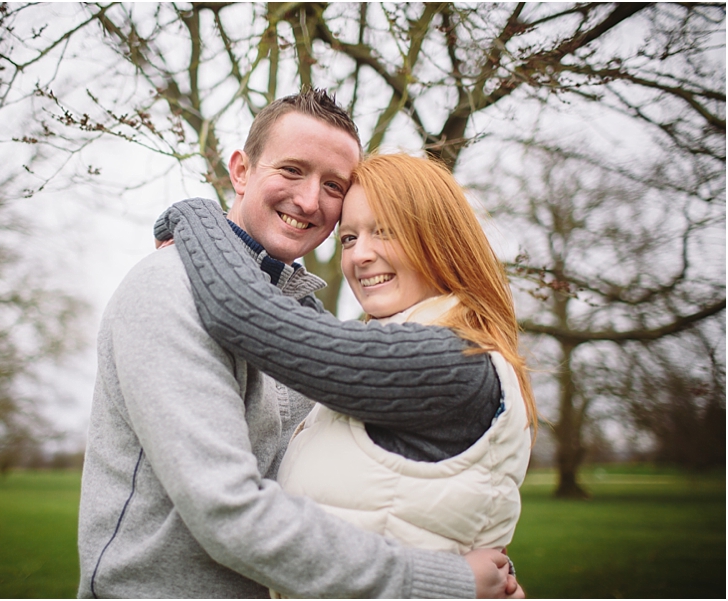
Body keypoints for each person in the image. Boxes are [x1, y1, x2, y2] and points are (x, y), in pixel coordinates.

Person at [78, 88, 522, 598]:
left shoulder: (320, 323)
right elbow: (229, 510)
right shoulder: (170, 288)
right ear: (240, 171)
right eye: (292, 170)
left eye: (333, 185)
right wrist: (446, 580)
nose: (310, 200)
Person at [155, 153, 536, 579]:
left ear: (441, 239)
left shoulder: (449, 360)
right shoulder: (427, 349)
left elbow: (245, 314)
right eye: (349, 238)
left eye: (385, 232)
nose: (361, 256)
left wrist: (197, 216)